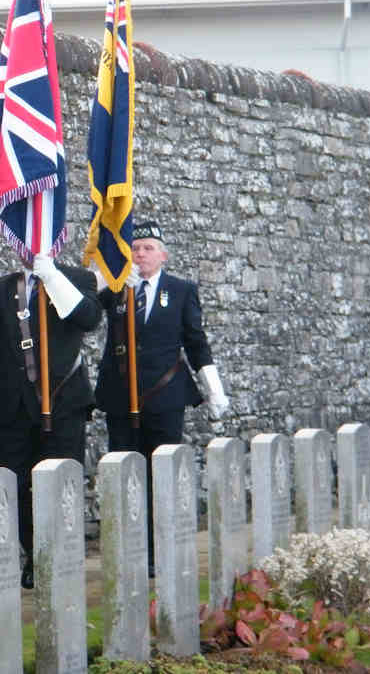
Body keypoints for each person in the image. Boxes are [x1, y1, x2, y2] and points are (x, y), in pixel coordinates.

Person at [0, 253, 102, 589]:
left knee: (61, 484)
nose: (28, 249)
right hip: (15, 405)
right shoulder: (7, 286)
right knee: (11, 486)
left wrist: (52, 277)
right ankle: (34, 552)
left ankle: (59, 554)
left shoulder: (78, 279)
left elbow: (88, 317)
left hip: (62, 402)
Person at [93, 220, 228, 576]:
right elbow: (86, 310)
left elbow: (195, 340)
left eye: (148, 248)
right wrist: (108, 280)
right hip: (122, 397)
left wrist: (213, 387)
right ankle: (127, 548)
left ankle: (157, 548)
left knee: (160, 473)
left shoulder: (181, 291)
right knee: (125, 474)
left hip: (164, 397)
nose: (140, 254)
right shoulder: (117, 288)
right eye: (135, 248)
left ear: (163, 255)